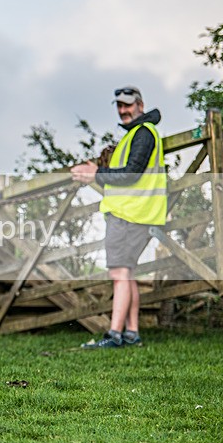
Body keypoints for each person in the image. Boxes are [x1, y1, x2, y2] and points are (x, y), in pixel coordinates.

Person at [71, 86, 166, 348]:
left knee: (119, 274)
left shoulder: (143, 133)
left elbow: (131, 173)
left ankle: (114, 335)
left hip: (130, 214)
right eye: (120, 106)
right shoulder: (140, 134)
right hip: (136, 213)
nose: (123, 110)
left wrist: (96, 175)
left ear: (140, 105)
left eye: (128, 105)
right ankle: (131, 333)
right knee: (128, 273)